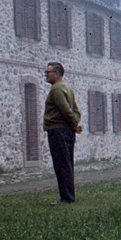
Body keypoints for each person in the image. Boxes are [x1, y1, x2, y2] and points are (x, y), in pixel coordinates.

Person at [43, 62, 82, 204]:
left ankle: (66, 197)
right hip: (67, 131)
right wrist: (75, 122)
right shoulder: (66, 87)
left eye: (48, 72)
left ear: (57, 73)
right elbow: (75, 109)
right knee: (67, 163)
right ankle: (68, 196)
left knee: (61, 164)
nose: (45, 75)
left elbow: (65, 109)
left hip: (58, 131)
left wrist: (74, 123)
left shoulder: (57, 89)